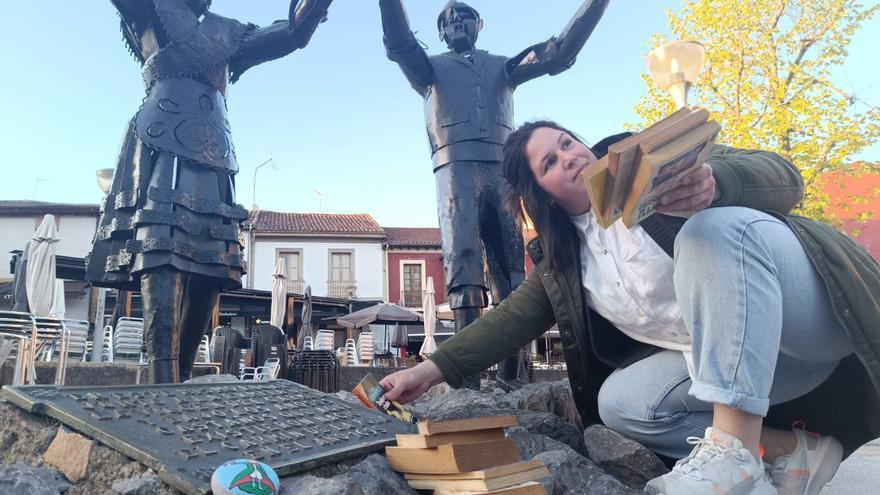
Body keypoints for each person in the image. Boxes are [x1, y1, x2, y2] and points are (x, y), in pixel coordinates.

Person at [380, 120, 880, 495]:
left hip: (810, 320)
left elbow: (784, 175)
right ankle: (795, 453)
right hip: (756, 369)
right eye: (550, 164)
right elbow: (512, 318)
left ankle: (735, 458)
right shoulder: (565, 261)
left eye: (566, 144)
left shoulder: (649, 163)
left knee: (711, 230)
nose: (569, 158)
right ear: (543, 196)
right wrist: (429, 370)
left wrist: (716, 183)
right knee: (621, 404)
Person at [87, 0, 332, 383]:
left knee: (211, 266)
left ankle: (180, 377)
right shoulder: (150, 9)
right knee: (161, 247)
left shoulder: (228, 32)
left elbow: (292, 33)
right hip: (163, 140)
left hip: (214, 153)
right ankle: (163, 379)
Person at [378, 0, 608, 386]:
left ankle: (511, 377)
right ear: (439, 33)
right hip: (454, 171)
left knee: (512, 269)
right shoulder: (430, 70)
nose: (455, 21)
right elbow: (400, 43)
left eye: (464, 15)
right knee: (464, 266)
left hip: (503, 172)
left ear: (480, 24)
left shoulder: (502, 66)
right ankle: (464, 381)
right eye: (446, 20)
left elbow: (559, 52)